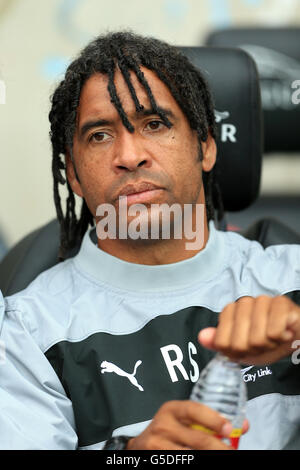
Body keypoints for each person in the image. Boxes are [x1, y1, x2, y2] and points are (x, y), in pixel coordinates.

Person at [1, 31, 300, 451]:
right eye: (100, 135)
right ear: (73, 174)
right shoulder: (24, 334)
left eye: (154, 124)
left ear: (206, 145)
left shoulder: (292, 278)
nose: (130, 154)